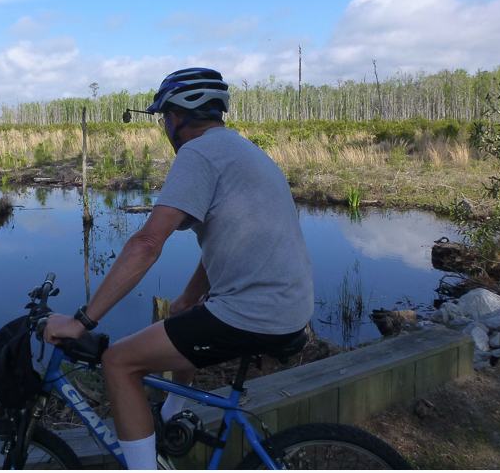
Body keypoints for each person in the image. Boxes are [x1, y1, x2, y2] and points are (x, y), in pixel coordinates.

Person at [44, 67, 314, 469]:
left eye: (163, 118)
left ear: (176, 117)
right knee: (186, 322)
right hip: (287, 305)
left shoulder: (198, 153)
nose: (163, 126)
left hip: (255, 312)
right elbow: (234, 237)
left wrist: (83, 320)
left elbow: (147, 242)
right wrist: (188, 297)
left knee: (118, 362)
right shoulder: (240, 149)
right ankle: (171, 414)